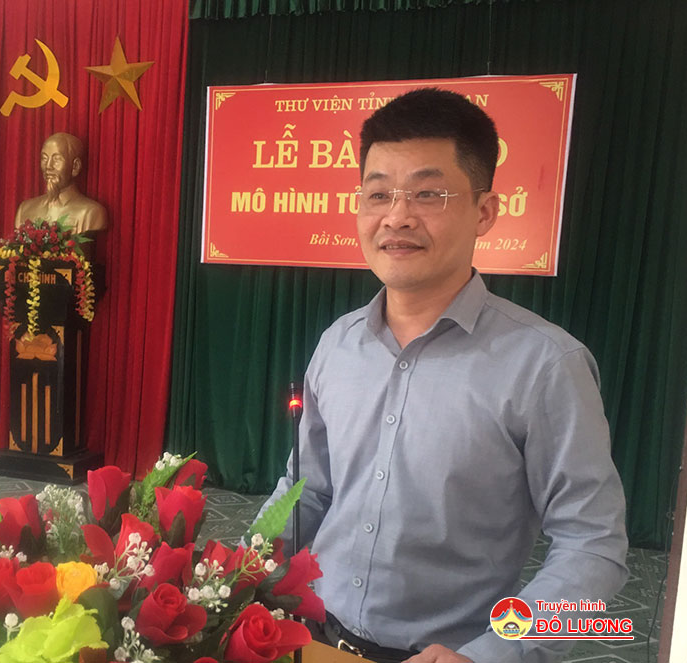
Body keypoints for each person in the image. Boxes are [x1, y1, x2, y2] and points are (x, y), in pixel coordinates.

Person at [259, 88, 628, 663]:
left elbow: (594, 546)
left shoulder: (545, 364)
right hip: (313, 640)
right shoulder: (338, 344)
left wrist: (494, 653)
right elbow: (306, 491)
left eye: (428, 193)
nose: (397, 216)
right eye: (378, 194)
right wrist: (232, 575)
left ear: (485, 212)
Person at [15, 132, 108, 236]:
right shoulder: (25, 209)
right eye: (44, 158)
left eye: (57, 159)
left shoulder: (91, 213)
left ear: (75, 166)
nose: (48, 166)